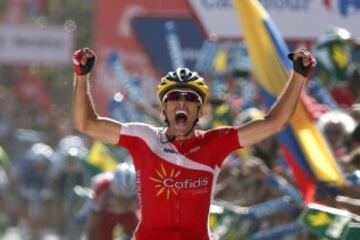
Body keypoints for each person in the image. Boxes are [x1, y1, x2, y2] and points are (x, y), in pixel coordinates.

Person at [72, 47, 315, 240]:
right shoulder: (142, 137)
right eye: (174, 98)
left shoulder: (216, 142)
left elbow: (274, 123)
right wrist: (81, 77)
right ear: (164, 109)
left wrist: (298, 78)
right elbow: (86, 124)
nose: (181, 104)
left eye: (190, 99)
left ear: (199, 111)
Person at [85, 162, 139, 240]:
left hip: (129, 214)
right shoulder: (103, 188)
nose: (125, 203)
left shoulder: (142, 190)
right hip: (106, 216)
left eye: (130, 199)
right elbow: (92, 227)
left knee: (140, 232)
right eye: (121, 198)